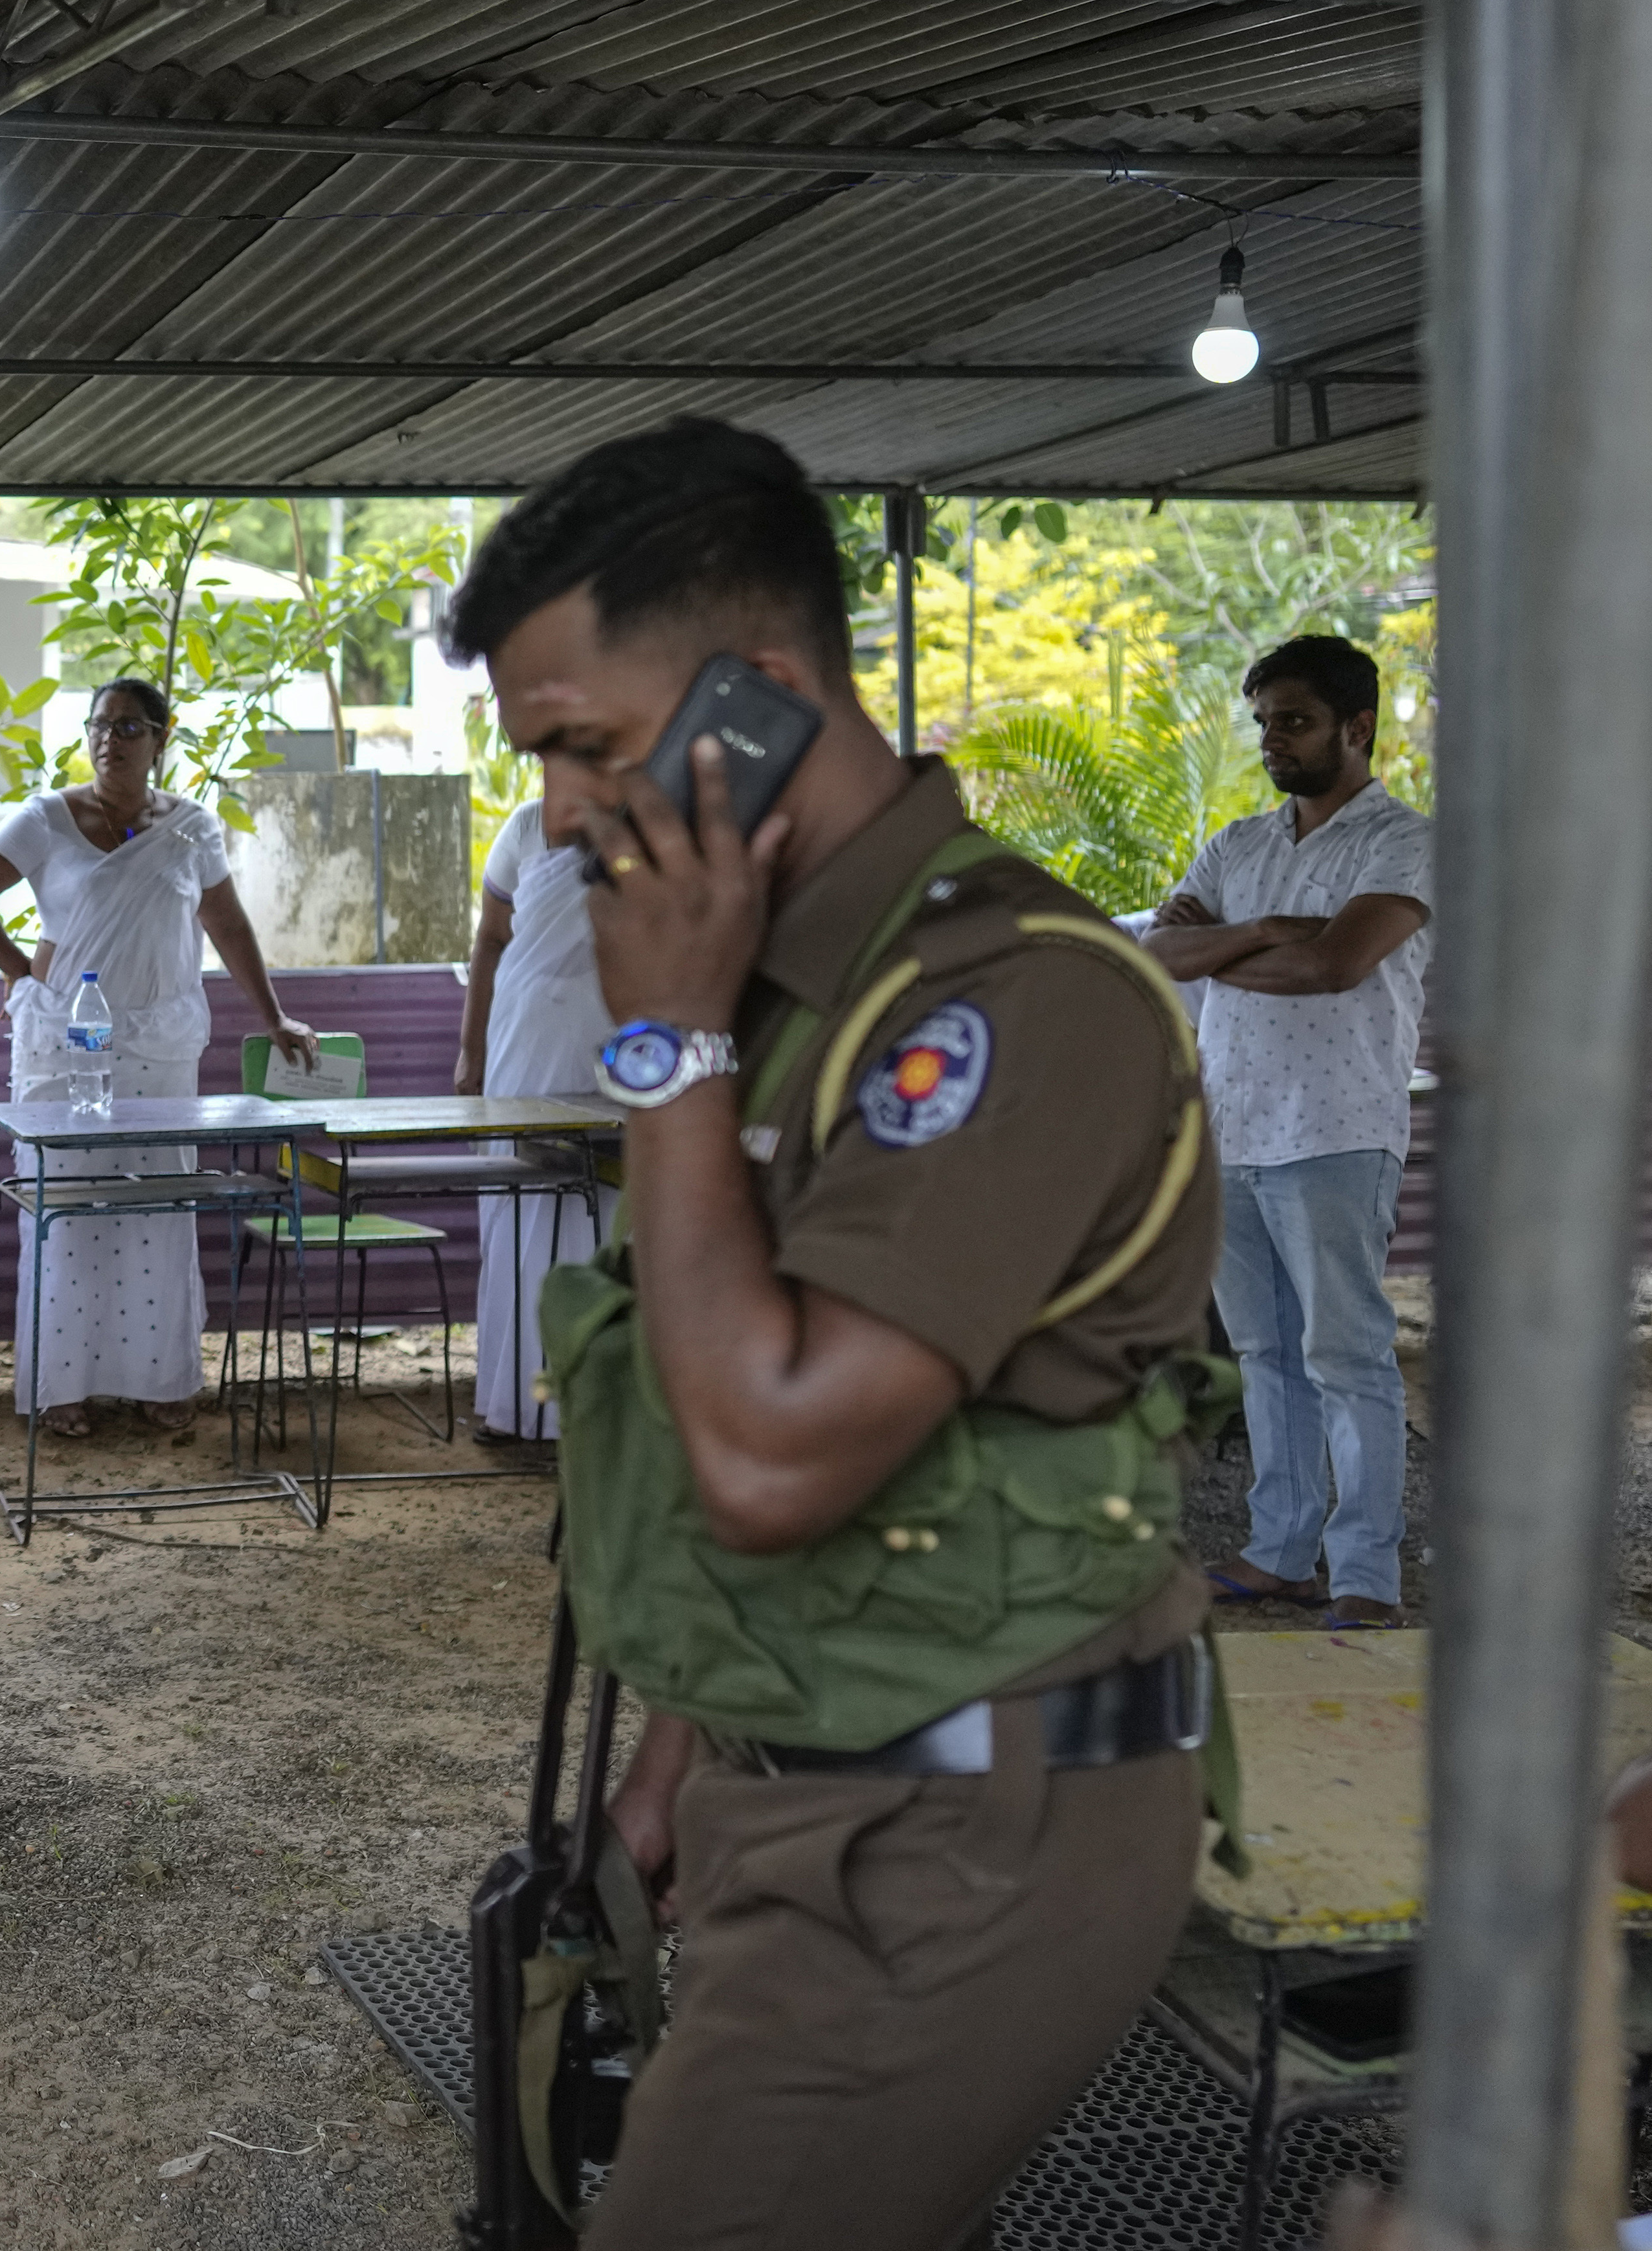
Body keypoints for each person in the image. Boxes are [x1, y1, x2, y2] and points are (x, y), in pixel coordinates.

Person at [461, 417, 1227, 2250]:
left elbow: (769, 1453)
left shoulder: (1009, 1002)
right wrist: (671, 1758)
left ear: (762, 697)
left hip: (959, 1840)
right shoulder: (805, 996)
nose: (561, 814)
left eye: (585, 745)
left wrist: (660, 1049)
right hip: (812, 1776)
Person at [0, 680, 315, 1437]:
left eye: (130, 726)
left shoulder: (192, 827)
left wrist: (273, 1018)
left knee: (156, 1209)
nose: (112, 739)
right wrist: (22, 972)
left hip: (160, 1041)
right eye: (100, 725)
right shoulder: (47, 818)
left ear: (160, 738)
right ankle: (61, 1388)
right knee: (66, 1213)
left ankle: (157, 1380)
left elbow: (228, 925)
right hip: (64, 1044)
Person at [1145, 637, 1432, 1631]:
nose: (1273, 738)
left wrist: (1223, 941)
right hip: (1231, 1130)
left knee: (1347, 1356)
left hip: (1338, 1130)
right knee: (1265, 1354)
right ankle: (1281, 1551)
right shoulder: (1238, 845)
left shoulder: (1402, 842)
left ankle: (1364, 1573)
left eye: (1295, 720)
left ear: (1357, 728)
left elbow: (1339, 965)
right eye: (1264, 719)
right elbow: (1160, 957)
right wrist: (1270, 930)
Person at [454, 782, 614, 1440]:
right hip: (522, 1042)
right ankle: (514, 1406)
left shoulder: (647, 824)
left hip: (610, 1036)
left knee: (598, 1210)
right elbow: (491, 940)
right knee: (516, 1216)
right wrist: (471, 1051)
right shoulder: (523, 828)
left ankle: (588, 1409)